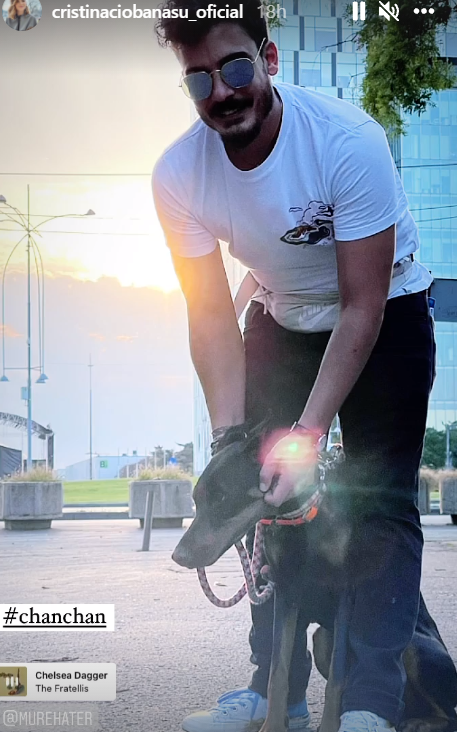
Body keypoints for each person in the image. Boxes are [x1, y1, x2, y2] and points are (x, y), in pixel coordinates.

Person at [152, 2, 457, 731]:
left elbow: (360, 306)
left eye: (234, 68)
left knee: (382, 501)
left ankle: (371, 703)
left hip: (384, 309)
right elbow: (210, 316)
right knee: (265, 497)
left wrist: (309, 437)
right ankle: (274, 691)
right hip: (281, 313)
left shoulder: (346, 141)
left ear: (268, 59)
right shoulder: (178, 175)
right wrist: (230, 440)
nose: (220, 92)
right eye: (198, 80)